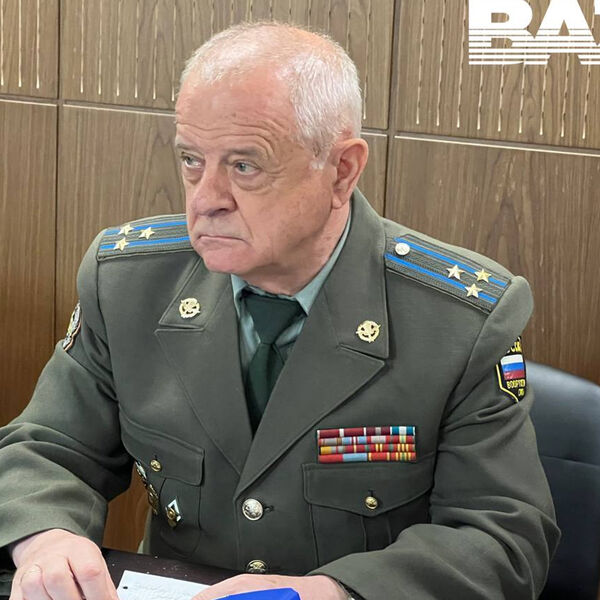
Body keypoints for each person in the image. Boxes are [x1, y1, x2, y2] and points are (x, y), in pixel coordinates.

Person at [0, 22, 559, 600]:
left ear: (341, 170)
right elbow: (47, 448)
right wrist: (44, 539)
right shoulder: (128, 283)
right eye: (191, 160)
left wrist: (334, 592)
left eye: (244, 166)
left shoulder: (460, 322)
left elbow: (503, 538)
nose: (205, 199)